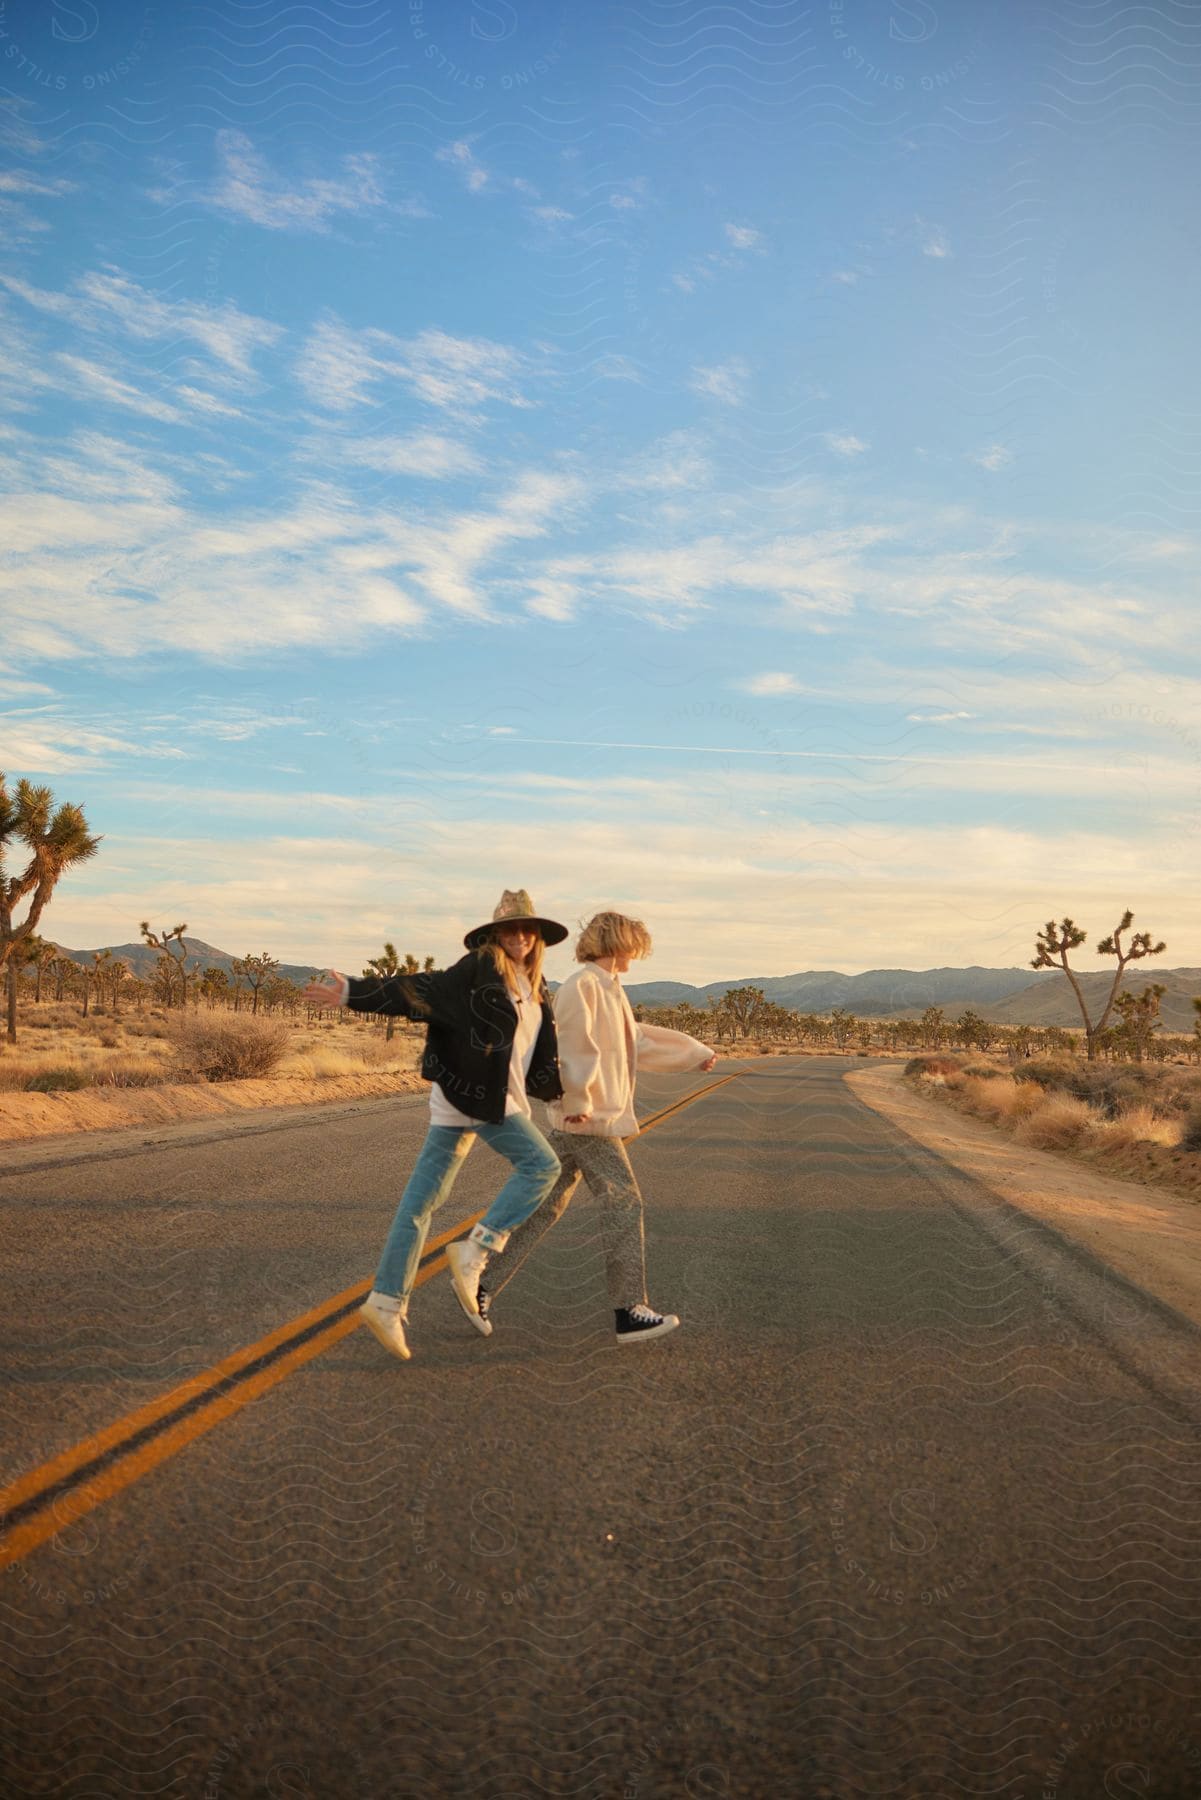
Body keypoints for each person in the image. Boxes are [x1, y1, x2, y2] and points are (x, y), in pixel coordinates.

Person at [300, 890, 568, 1361]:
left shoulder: (534, 986)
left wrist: (563, 1095)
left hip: (473, 1099)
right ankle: (477, 1250)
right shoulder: (479, 969)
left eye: (529, 929)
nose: (520, 936)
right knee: (542, 1167)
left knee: (420, 1205)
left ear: (538, 937)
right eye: (510, 928)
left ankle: (385, 1302)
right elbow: (423, 989)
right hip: (477, 1098)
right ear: (494, 934)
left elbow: (538, 1054)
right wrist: (352, 992)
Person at [474, 910, 717, 1345]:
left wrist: (693, 1054)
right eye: (634, 947)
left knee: (544, 1205)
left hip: (584, 1116)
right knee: (624, 1201)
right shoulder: (582, 986)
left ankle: (480, 1282)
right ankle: (629, 1310)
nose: (636, 956)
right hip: (588, 1118)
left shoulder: (609, 989)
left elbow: (635, 1042)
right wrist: (581, 1101)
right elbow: (570, 1046)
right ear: (618, 943)